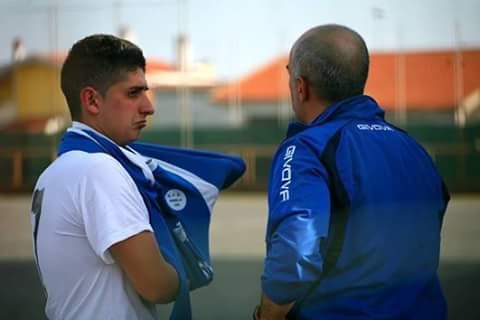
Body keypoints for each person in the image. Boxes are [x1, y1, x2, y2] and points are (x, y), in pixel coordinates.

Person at [255, 24, 449, 320]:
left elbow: (296, 249)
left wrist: (267, 314)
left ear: (300, 86)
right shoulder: (413, 148)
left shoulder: (307, 148)